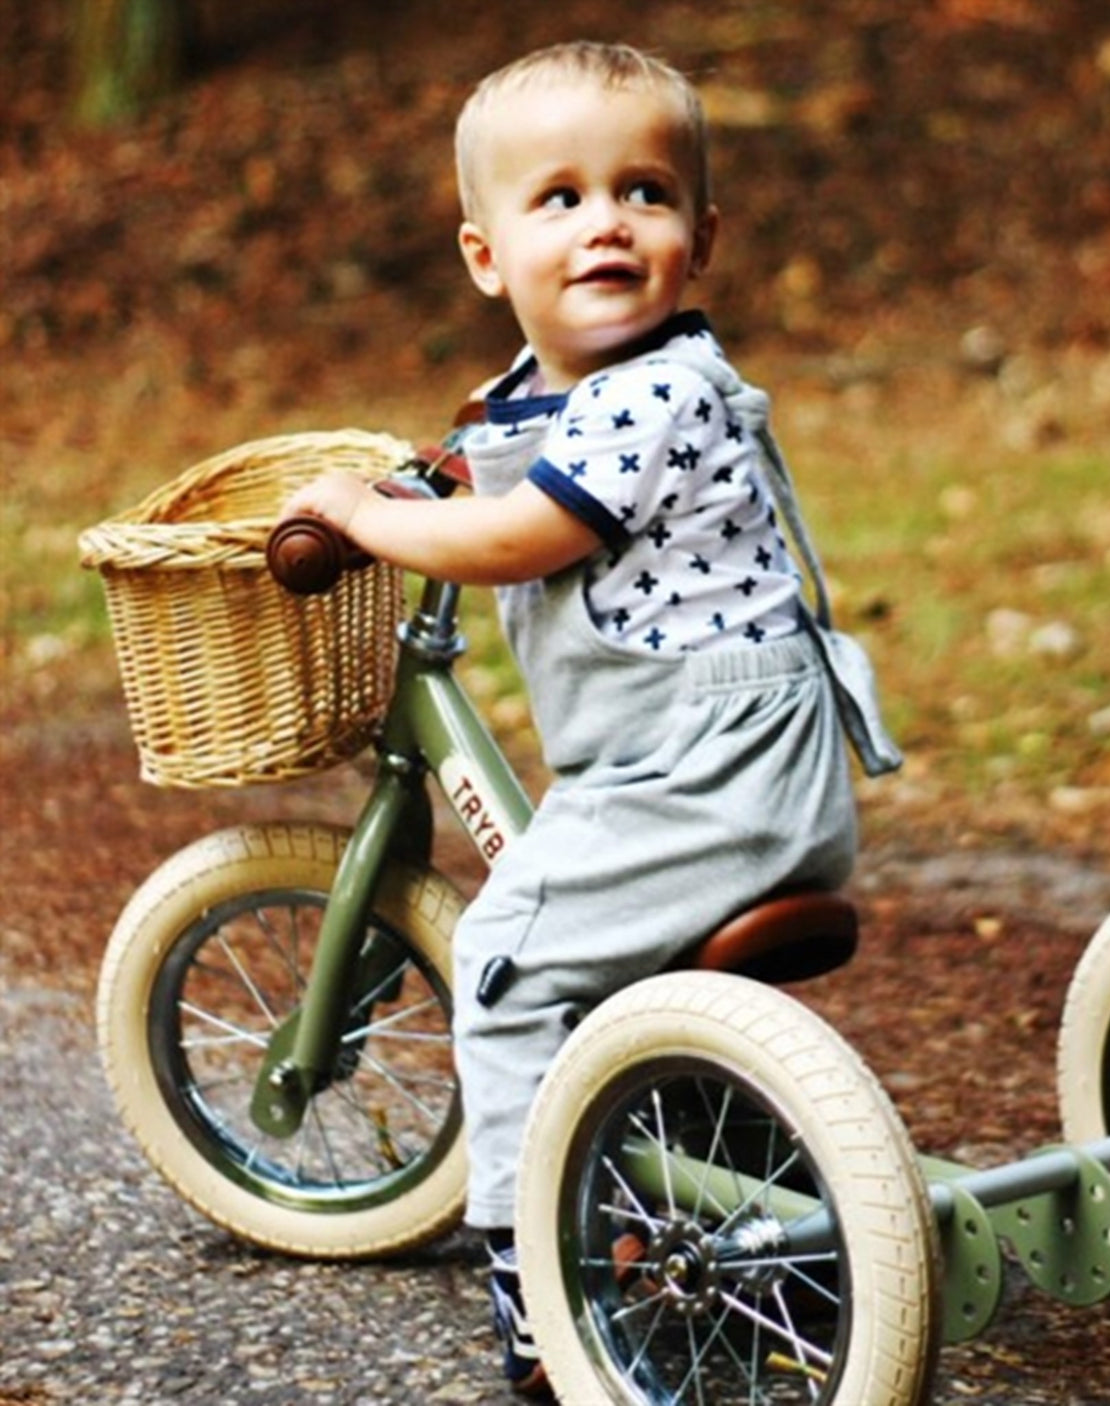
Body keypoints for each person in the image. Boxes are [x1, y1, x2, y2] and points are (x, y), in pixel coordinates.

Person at [280, 40, 897, 1396]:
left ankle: (531, 1276)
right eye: (557, 198)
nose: (604, 219)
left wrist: (377, 520)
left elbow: (520, 532)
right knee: (592, 948)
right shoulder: (556, 390)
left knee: (502, 960)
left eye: (644, 191)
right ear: (486, 255)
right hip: (694, 764)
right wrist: (410, 474)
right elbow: (481, 458)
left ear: (702, 236)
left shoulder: (654, 392)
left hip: (710, 771)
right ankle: (690, 1183)